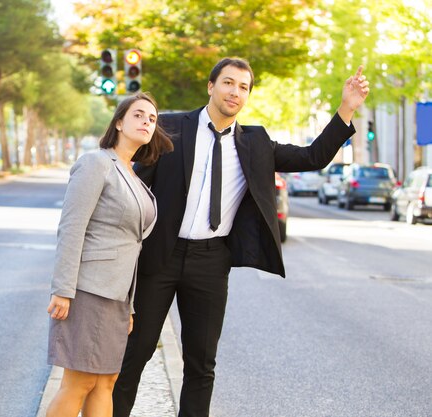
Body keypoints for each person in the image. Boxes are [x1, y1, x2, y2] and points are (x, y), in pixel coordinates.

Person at [112, 58, 370, 417]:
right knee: (134, 356)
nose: (235, 92)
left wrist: (346, 107)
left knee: (202, 365)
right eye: (229, 83)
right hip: (160, 256)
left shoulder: (256, 143)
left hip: (210, 261)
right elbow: (131, 180)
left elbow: (313, 156)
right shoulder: (170, 127)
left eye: (243, 87)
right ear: (211, 87)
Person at [45, 92, 173, 417]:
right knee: (79, 382)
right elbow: (72, 228)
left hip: (117, 297)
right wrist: (62, 289)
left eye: (152, 119)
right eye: (139, 115)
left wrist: (129, 305)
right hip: (89, 290)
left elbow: (131, 245)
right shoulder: (97, 163)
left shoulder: (135, 177)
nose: (147, 122)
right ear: (119, 122)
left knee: (107, 382)